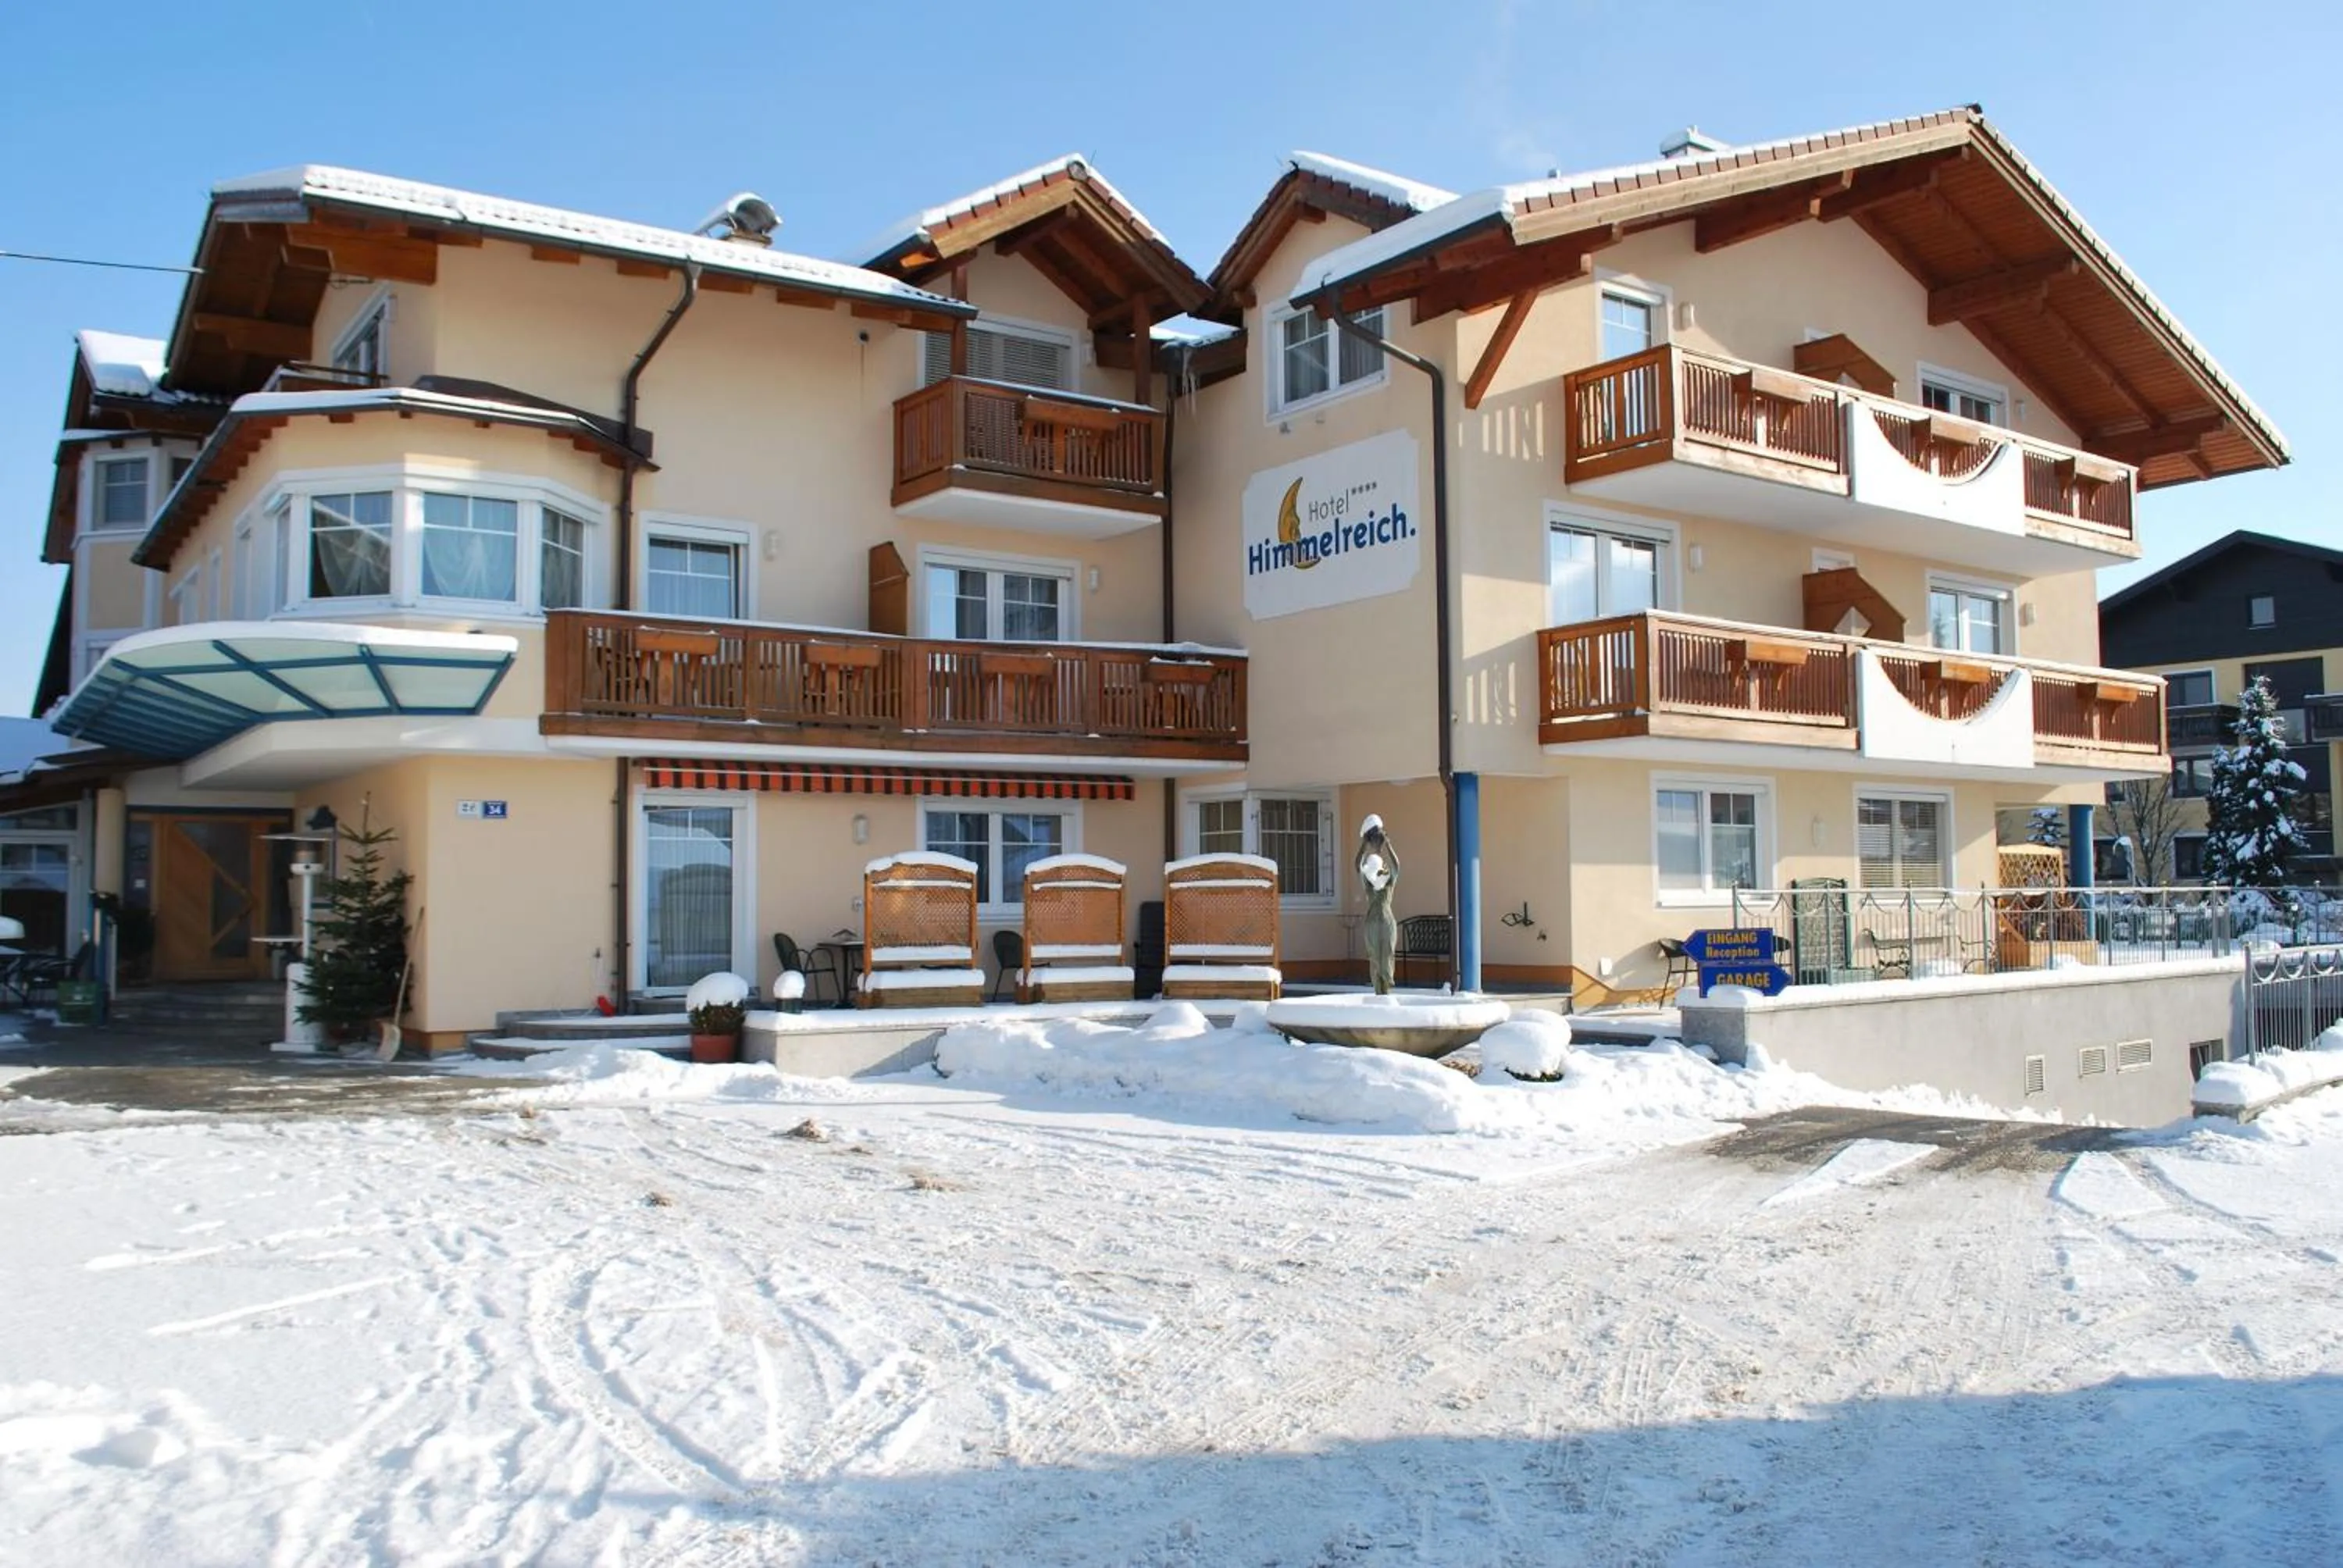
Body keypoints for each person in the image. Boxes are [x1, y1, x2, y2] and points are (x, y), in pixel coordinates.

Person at [1357, 814, 1400, 995]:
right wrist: (1364, 846)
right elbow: (1358, 866)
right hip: (1373, 922)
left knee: (1388, 954)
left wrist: (1388, 845)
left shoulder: (1388, 881)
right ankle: (1378, 991)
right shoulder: (1369, 882)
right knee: (1374, 957)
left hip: (1387, 921)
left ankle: (1387, 990)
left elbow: (1397, 866)